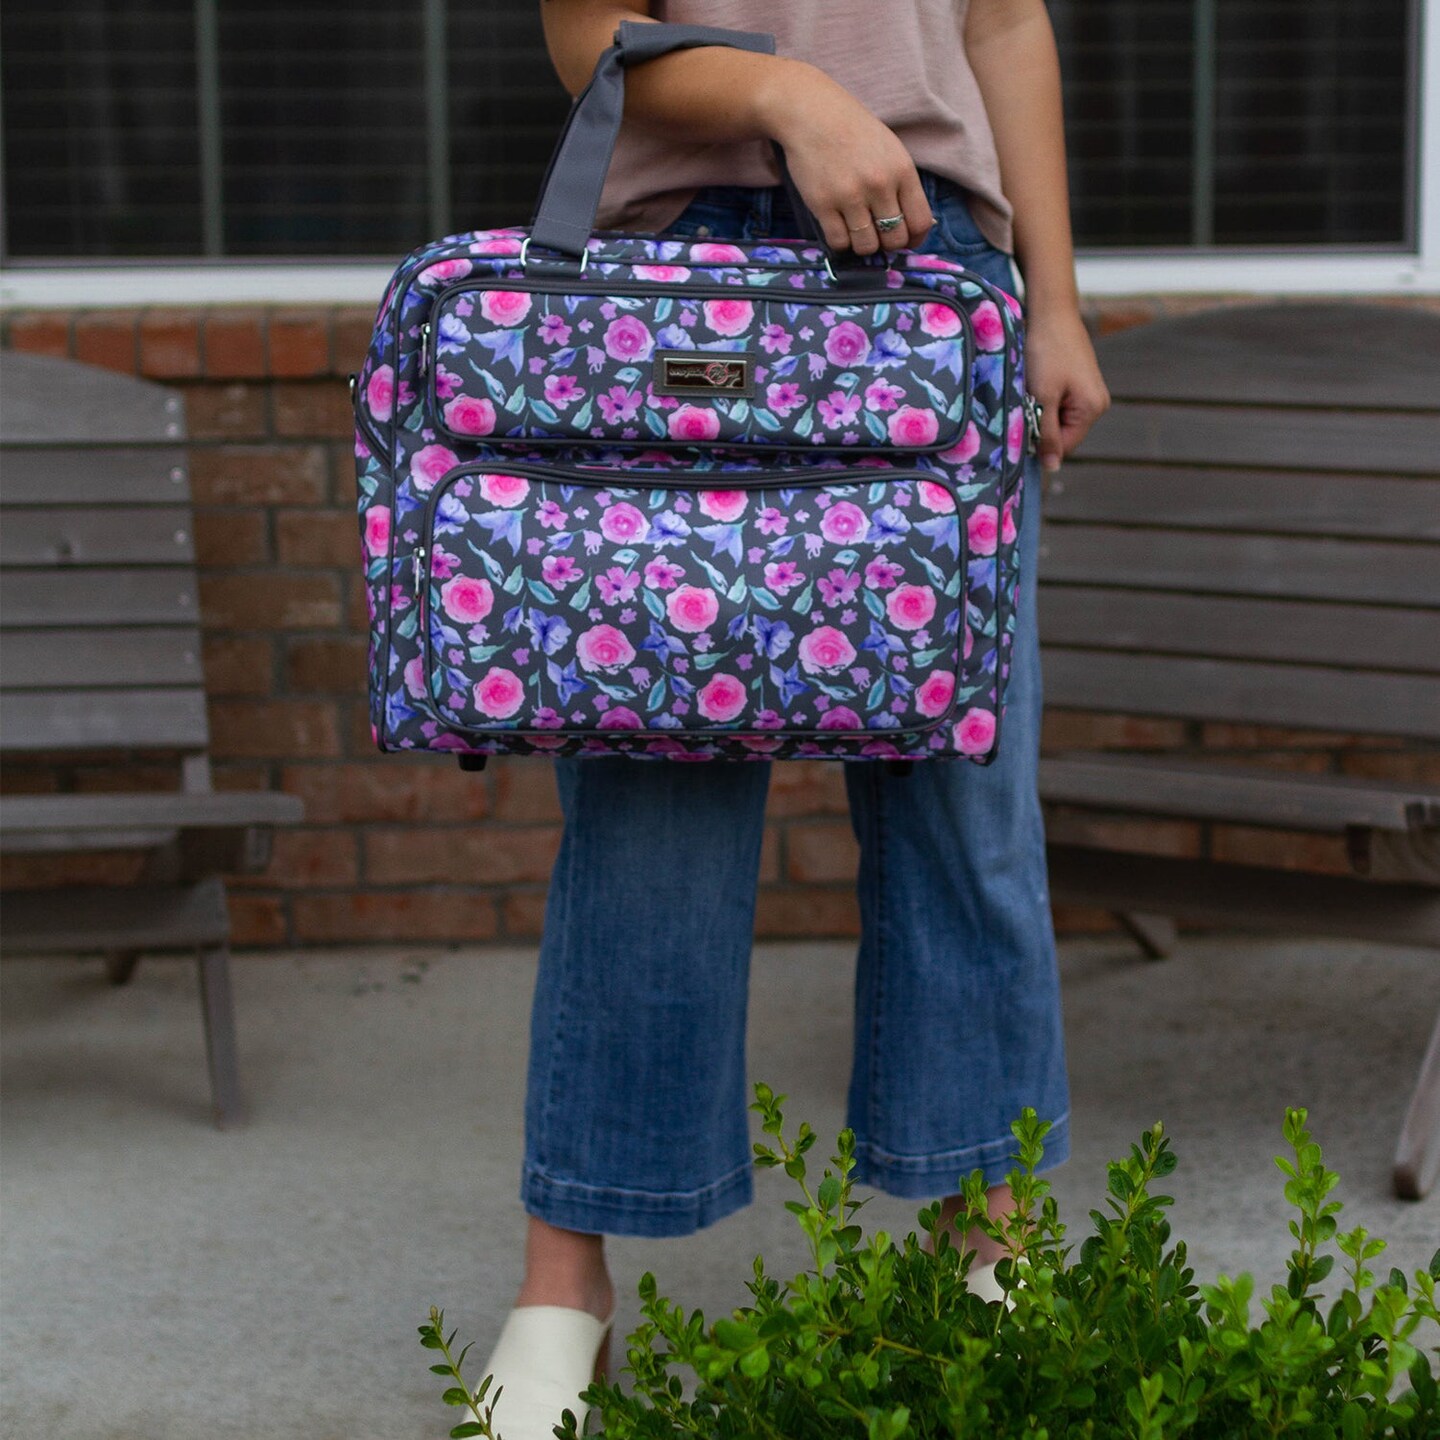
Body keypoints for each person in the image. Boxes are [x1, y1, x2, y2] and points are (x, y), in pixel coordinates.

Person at [478, 3, 1111, 1435]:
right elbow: (589, 35)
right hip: (676, 263)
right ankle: (565, 1283)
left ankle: (989, 1254)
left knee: (966, 803)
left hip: (937, 257)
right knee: (648, 814)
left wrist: (1057, 302)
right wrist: (788, 97)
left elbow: (1005, 18)